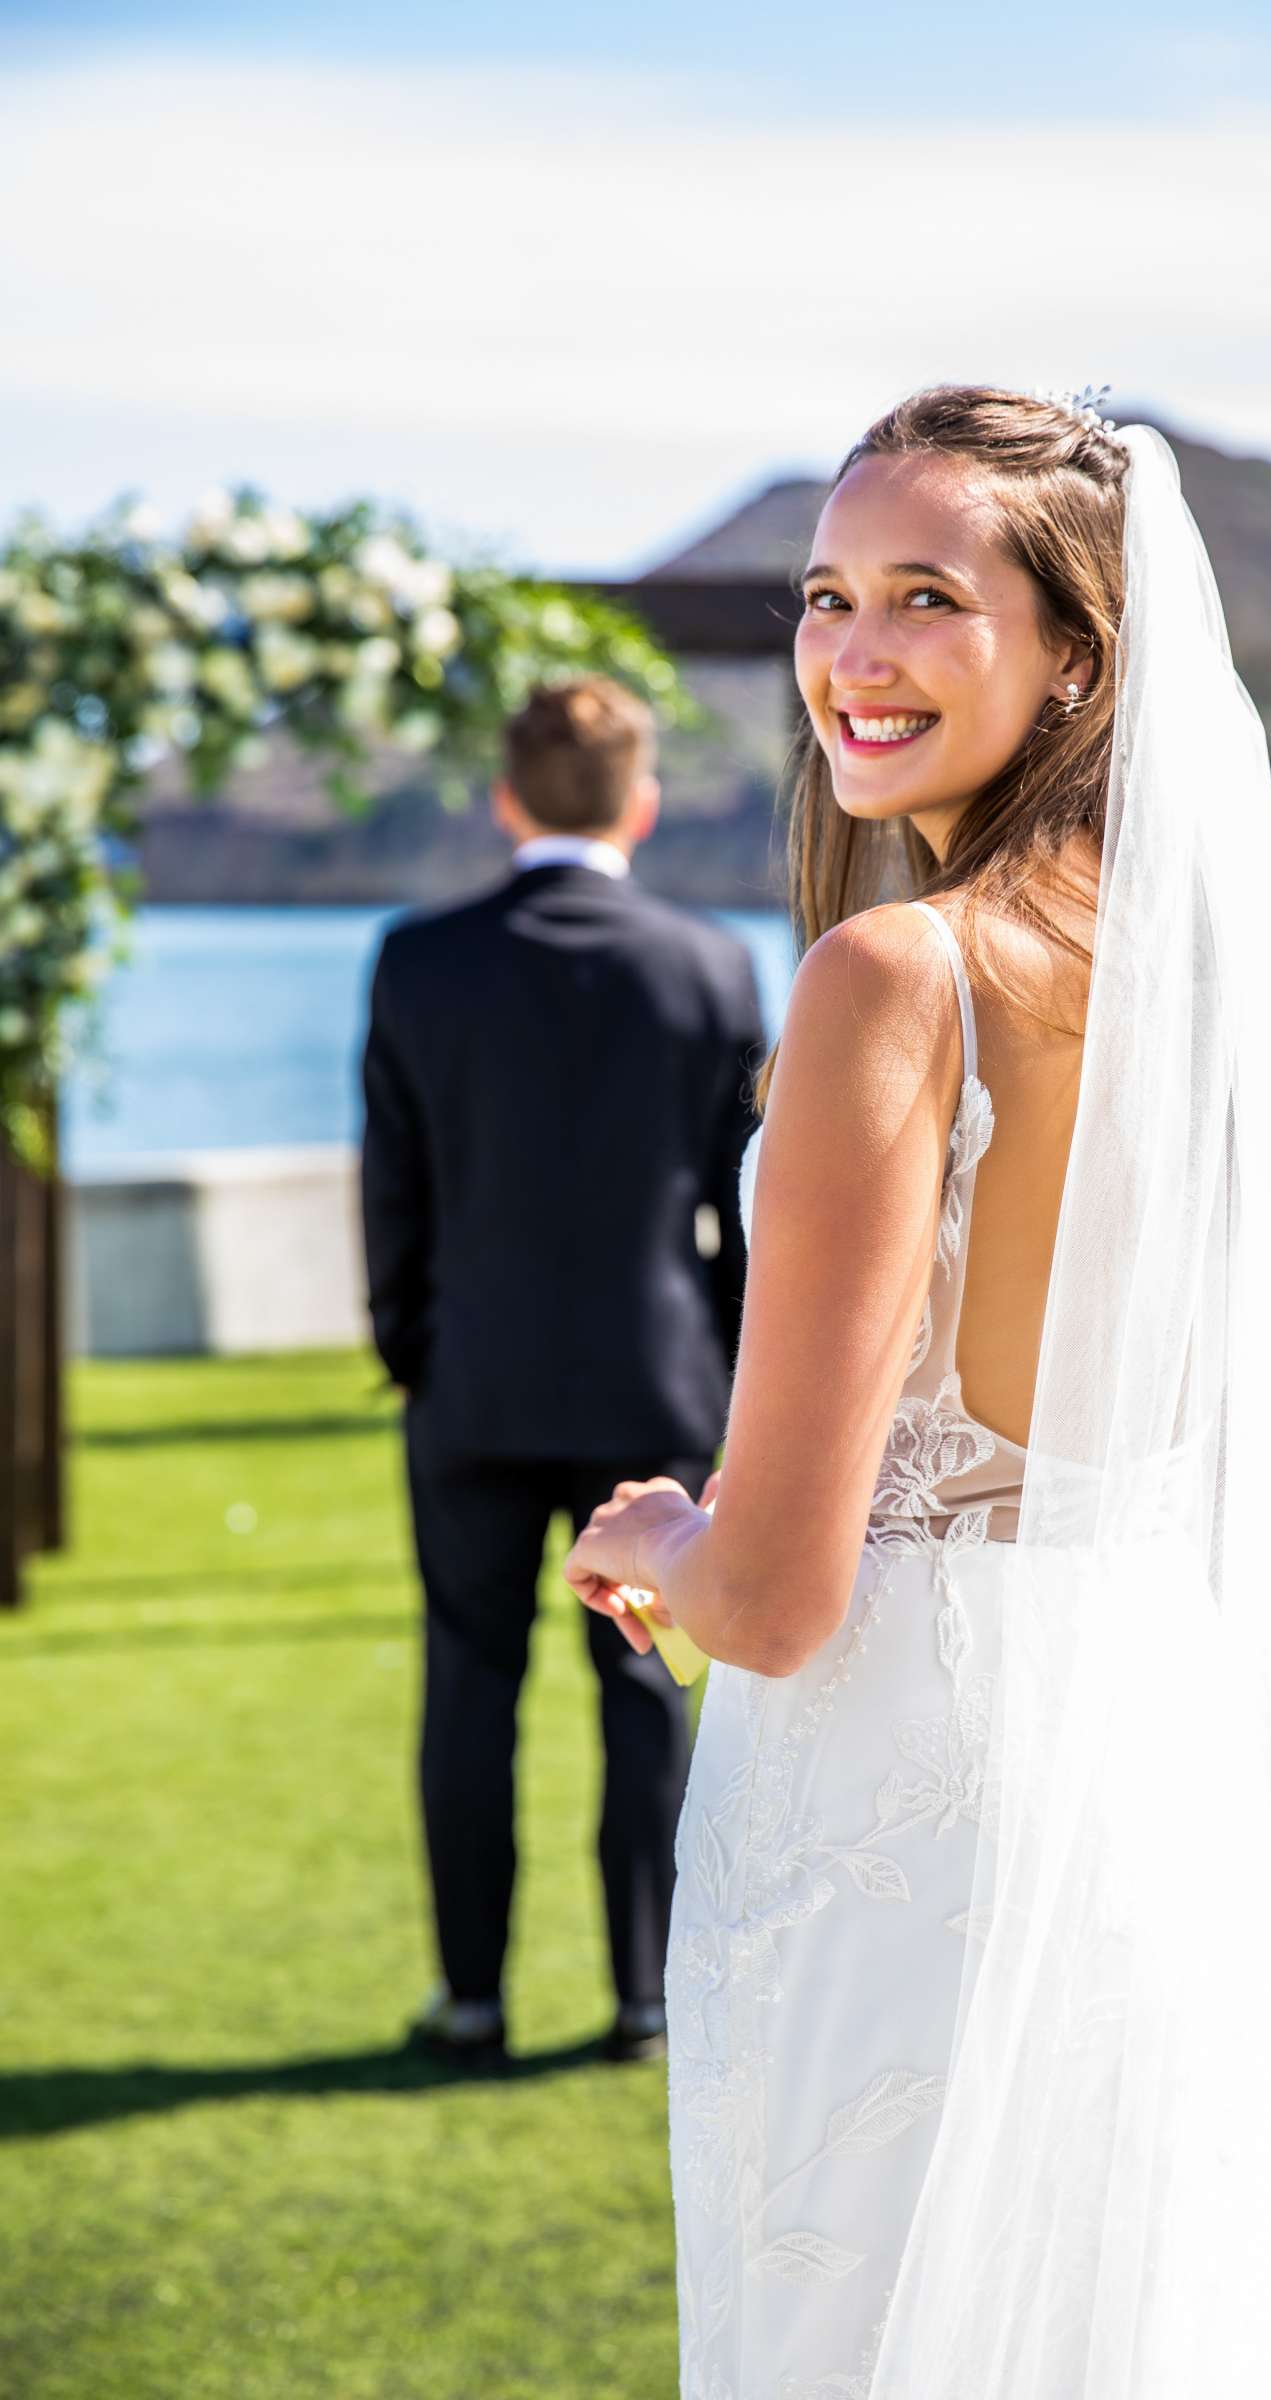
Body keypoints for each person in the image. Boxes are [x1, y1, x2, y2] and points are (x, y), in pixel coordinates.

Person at [565, 390, 1271, 2394]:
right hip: (1142, 1767)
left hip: (905, 1819)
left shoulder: (892, 979)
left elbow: (775, 1598)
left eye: (927, 600)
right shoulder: (1190, 1000)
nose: (850, 655)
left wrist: (657, 1538)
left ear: (1075, 654)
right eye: (827, 596)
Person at [360, 674, 764, 2067]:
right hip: (655, 1396)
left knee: (466, 1685)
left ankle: (471, 2000)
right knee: (641, 1685)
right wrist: (723, 1382)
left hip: (467, 1389)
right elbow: (738, 1215)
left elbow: (391, 1195)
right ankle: (646, 2000)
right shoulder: (713, 968)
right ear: (641, 806)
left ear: (505, 800)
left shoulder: (418, 959)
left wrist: (414, 1352)